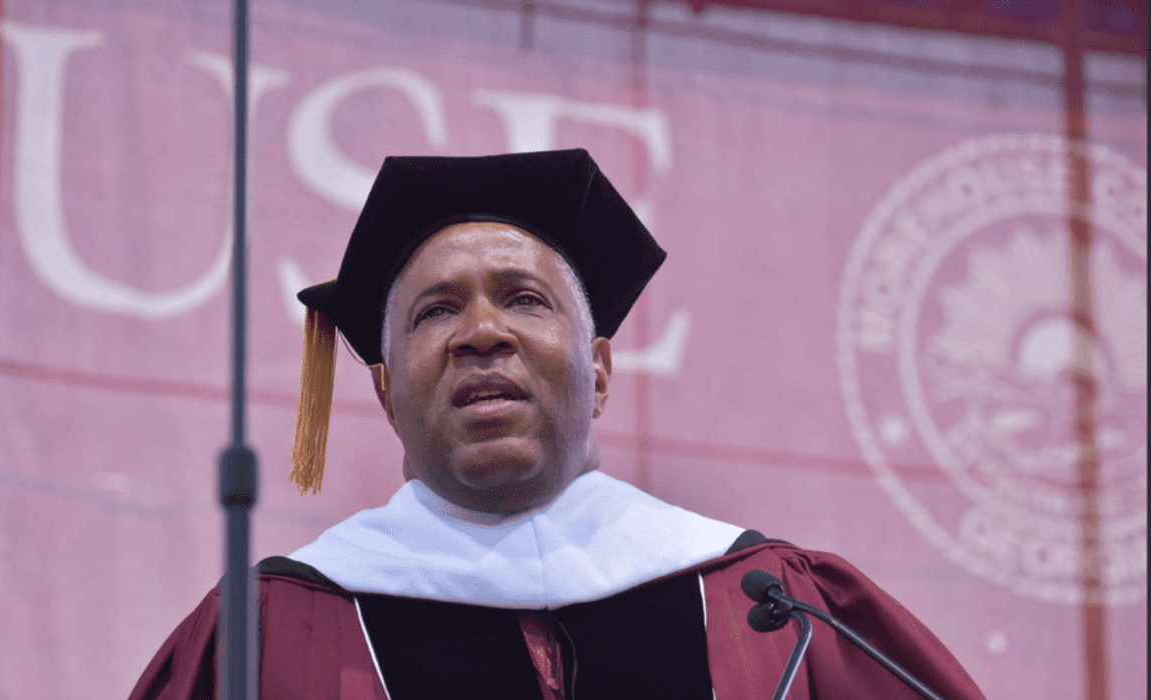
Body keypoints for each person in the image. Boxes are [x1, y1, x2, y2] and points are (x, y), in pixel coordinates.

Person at [129, 149, 987, 700]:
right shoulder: (271, 631)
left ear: (599, 372)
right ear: (386, 397)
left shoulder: (771, 605)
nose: (481, 332)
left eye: (524, 299)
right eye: (435, 311)